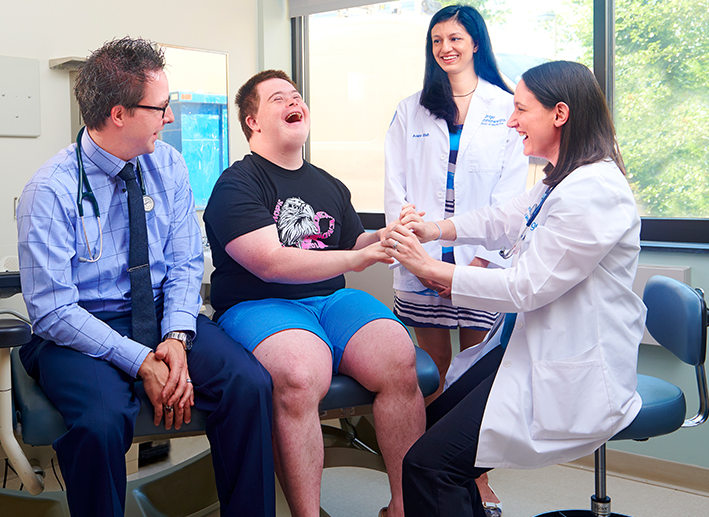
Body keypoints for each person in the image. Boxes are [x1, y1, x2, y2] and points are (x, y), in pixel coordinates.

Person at [16, 37, 274, 517]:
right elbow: (52, 311)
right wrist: (141, 362)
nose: (170, 118)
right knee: (100, 422)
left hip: (159, 314)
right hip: (79, 328)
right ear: (119, 114)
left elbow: (184, 264)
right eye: (161, 107)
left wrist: (176, 338)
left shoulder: (168, 165)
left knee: (249, 385)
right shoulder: (50, 190)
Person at [386, 61, 645, 517]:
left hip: (573, 369)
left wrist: (430, 269)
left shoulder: (593, 190)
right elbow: (501, 219)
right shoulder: (560, 180)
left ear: (559, 114)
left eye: (521, 110)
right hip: (533, 351)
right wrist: (435, 229)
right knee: (434, 428)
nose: (510, 121)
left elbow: (526, 288)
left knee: (429, 465)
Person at [203, 70, 426, 517]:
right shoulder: (236, 185)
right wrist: (355, 259)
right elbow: (271, 261)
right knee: (301, 372)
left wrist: (383, 238)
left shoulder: (328, 183)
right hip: (258, 304)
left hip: (330, 301)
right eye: (278, 98)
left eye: (297, 96)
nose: (294, 102)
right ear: (253, 121)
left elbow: (351, 241)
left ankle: (403, 508)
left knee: (398, 355)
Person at [385, 4, 528, 400]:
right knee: (430, 372)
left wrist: (484, 262)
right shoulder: (410, 109)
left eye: (454, 39)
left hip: (480, 261)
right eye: (437, 40)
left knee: (476, 370)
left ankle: (469, 462)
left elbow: (511, 195)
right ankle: (430, 455)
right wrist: (414, 257)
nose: (445, 48)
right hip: (421, 259)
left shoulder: (506, 107)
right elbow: (395, 187)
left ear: (475, 43)